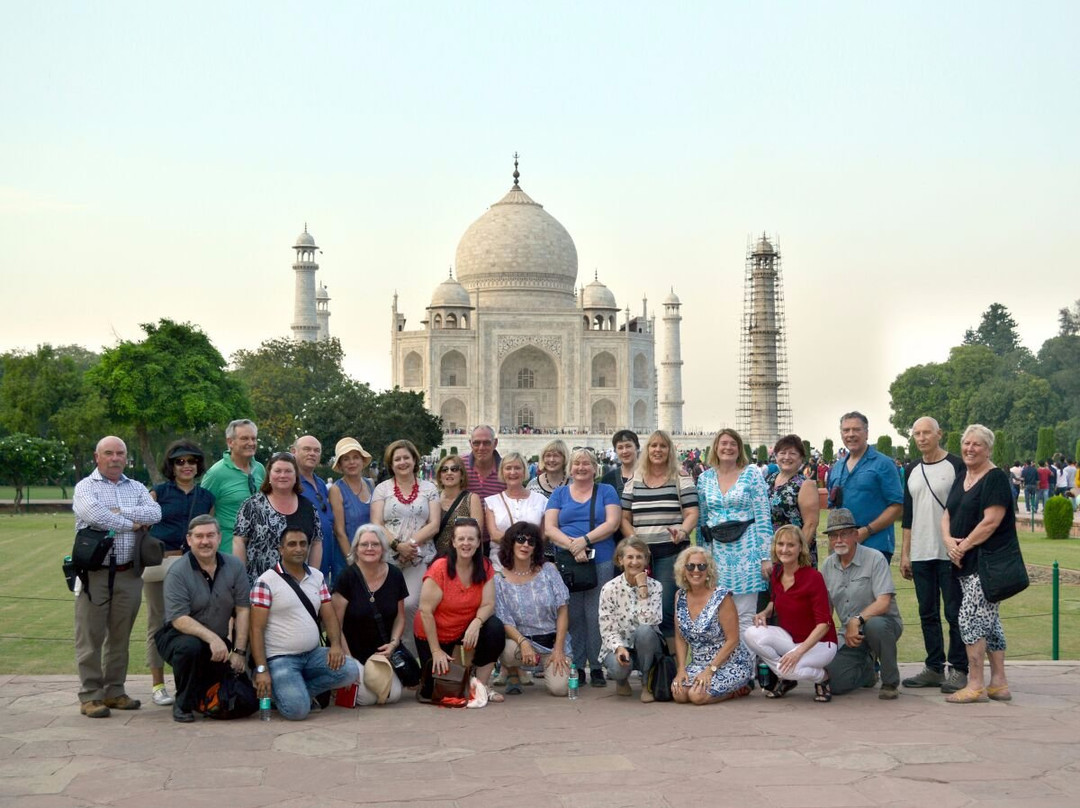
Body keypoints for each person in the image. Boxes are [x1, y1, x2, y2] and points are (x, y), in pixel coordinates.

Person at [72, 436, 162, 717]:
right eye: (108, 453)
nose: (115, 458)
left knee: (120, 637)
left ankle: (114, 691)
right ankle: (90, 695)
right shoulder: (85, 487)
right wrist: (133, 523)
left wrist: (119, 512)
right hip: (94, 573)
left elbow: (155, 513)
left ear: (126, 456)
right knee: (90, 637)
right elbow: (95, 516)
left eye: (119, 453)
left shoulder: (136, 487)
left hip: (128, 572)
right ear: (97, 457)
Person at [249, 527, 360, 720]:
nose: (298, 549)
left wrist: (335, 645)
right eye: (292, 544)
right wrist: (261, 670)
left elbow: (329, 616)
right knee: (298, 711)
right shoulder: (266, 581)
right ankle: (287, 694)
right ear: (281, 549)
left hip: (312, 655)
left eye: (303, 544)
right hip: (280, 659)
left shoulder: (317, 576)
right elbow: (256, 629)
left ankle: (293, 692)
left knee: (350, 670)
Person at [941, 425, 1017, 703]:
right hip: (964, 562)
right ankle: (999, 683)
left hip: (986, 565)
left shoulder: (995, 479)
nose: (970, 449)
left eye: (977, 444)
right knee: (990, 623)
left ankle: (975, 684)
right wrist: (948, 541)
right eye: (966, 443)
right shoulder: (963, 475)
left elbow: (991, 522)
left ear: (989, 449)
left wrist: (962, 546)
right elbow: (947, 512)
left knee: (970, 619)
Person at [155, 515, 250, 722]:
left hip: (216, 640)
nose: (205, 541)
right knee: (191, 648)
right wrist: (213, 639)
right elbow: (179, 618)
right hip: (177, 637)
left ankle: (201, 697)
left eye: (210, 535)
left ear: (219, 538)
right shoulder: (177, 572)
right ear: (189, 540)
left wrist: (239, 652)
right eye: (199, 536)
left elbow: (243, 609)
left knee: (245, 697)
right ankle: (183, 705)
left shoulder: (235, 566)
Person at [899, 417, 968, 694]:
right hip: (921, 551)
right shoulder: (911, 469)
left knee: (954, 612)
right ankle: (934, 667)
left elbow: (964, 507)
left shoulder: (955, 465)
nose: (922, 438)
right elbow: (908, 515)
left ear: (939, 434)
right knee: (927, 612)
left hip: (949, 552)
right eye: (917, 433)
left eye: (927, 432)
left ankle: (959, 668)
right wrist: (905, 554)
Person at [146, 440, 216, 707]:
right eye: (180, 461)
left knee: (192, 623)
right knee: (157, 623)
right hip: (162, 564)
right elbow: (145, 526)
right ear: (172, 466)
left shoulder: (206, 497)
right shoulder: (159, 493)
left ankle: (186, 684)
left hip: (192, 566)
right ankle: (157, 684)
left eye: (191, 461)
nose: (186, 466)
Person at [544, 448, 622, 686]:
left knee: (596, 614)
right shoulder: (559, 494)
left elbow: (612, 523)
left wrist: (584, 541)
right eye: (577, 463)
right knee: (573, 614)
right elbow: (550, 527)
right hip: (569, 561)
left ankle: (596, 666)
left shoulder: (606, 491)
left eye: (586, 463)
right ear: (570, 468)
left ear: (595, 468)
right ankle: (577, 665)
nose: (581, 467)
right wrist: (573, 546)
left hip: (601, 558)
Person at [414, 518, 505, 701]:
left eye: (471, 539)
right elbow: (426, 611)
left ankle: (481, 686)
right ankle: (461, 680)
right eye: (461, 538)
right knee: (436, 692)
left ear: (478, 542)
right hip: (435, 633)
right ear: (453, 542)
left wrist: (476, 623)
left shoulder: (485, 566)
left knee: (494, 628)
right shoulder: (440, 567)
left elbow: (488, 604)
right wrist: (436, 651)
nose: (466, 543)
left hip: (465, 628)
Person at [619, 430, 699, 636]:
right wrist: (634, 541)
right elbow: (624, 517)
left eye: (663, 446)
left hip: (670, 552)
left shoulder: (681, 477)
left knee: (665, 610)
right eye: (653, 445)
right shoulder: (635, 479)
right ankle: (646, 655)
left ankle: (669, 656)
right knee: (638, 607)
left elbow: (692, 513)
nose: (658, 450)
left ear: (670, 450)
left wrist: (682, 532)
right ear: (647, 450)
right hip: (640, 556)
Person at [744, 526, 837, 702]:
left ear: (800, 548)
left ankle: (822, 677)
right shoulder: (777, 572)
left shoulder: (814, 577)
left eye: (791, 545)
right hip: (791, 639)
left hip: (821, 643)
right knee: (751, 633)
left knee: (787, 669)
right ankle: (786, 674)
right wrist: (765, 612)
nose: (784, 549)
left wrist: (797, 653)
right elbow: (775, 600)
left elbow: (824, 624)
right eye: (780, 544)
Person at [696, 429, 774, 634]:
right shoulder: (704, 479)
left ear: (739, 449)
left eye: (733, 444)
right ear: (716, 447)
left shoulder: (751, 475)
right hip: (716, 553)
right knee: (717, 615)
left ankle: (745, 657)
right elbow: (702, 520)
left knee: (745, 618)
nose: (728, 448)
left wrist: (766, 557)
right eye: (724, 443)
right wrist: (700, 557)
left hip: (747, 551)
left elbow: (763, 517)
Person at [821, 508, 904, 699]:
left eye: (844, 534)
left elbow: (884, 602)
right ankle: (867, 669)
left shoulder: (875, 558)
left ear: (856, 535)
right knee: (833, 683)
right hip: (849, 635)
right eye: (833, 536)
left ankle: (890, 682)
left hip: (883, 625)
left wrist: (856, 620)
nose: (838, 540)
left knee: (875, 625)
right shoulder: (827, 565)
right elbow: (827, 607)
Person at [371, 439, 440, 654]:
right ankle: (385, 656)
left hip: (417, 557)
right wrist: (396, 545)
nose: (402, 462)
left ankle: (410, 657)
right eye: (397, 459)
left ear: (414, 460)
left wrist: (409, 545)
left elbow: (434, 524)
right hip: (388, 557)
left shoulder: (429, 488)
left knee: (410, 605)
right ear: (391, 464)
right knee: (386, 607)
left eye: (406, 458)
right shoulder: (382, 489)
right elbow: (376, 522)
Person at [331, 524, 410, 705]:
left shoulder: (395, 575)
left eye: (375, 544)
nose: (369, 548)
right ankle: (340, 680)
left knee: (392, 696)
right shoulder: (346, 578)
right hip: (352, 652)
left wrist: (393, 644)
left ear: (383, 548)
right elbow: (335, 625)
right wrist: (349, 660)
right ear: (356, 549)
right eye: (364, 544)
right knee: (367, 698)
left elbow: (400, 617)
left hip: (383, 653)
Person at [494, 521, 571, 697]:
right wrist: (523, 642)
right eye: (520, 539)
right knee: (506, 650)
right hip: (521, 644)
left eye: (531, 541)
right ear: (510, 543)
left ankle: (549, 665)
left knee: (560, 689)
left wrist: (559, 648)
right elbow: (504, 620)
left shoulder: (548, 570)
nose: (526, 545)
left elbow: (563, 610)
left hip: (552, 643)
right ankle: (513, 672)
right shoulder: (499, 579)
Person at [671, 545, 754, 705]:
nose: (696, 571)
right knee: (679, 694)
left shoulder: (721, 597)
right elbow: (680, 638)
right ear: (683, 570)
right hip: (698, 664)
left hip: (730, 663)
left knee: (697, 696)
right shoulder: (679, 596)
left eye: (702, 566)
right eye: (690, 566)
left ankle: (738, 689)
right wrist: (681, 669)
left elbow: (733, 640)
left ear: (708, 571)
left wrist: (710, 670)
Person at [234, 452, 323, 586]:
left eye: (288, 471)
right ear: (269, 475)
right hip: (260, 586)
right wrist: (241, 581)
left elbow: (316, 543)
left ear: (296, 476)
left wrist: (312, 580)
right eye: (278, 471)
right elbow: (239, 541)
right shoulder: (252, 505)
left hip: (299, 587)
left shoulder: (308, 507)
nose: (282, 475)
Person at [826, 411, 904, 564]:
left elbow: (897, 506)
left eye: (856, 429)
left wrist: (866, 531)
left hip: (875, 544)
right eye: (846, 430)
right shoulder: (837, 467)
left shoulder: (883, 464)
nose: (851, 434)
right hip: (842, 546)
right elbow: (832, 505)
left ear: (866, 433)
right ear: (841, 434)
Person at [598, 537, 665, 702]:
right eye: (630, 557)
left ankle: (646, 683)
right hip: (620, 645)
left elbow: (651, 621)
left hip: (647, 645)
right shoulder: (609, 588)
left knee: (645, 631)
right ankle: (621, 681)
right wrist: (619, 647)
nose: (634, 562)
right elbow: (607, 628)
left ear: (646, 560)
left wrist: (643, 589)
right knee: (617, 668)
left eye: (639, 557)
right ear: (620, 560)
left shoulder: (656, 586)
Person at [202, 419, 266, 554]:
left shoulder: (260, 469)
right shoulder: (216, 474)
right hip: (228, 549)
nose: (251, 443)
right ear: (230, 442)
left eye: (254, 438)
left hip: (259, 549)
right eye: (244, 438)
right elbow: (203, 513)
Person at [484, 451, 547, 571]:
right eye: (508, 468)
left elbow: (543, 536)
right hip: (500, 566)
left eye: (517, 468)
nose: (513, 472)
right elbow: (494, 535)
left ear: (524, 471)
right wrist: (525, 541)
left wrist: (518, 542)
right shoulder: (492, 502)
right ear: (502, 472)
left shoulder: (541, 500)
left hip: (531, 565)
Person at [766, 434, 821, 568]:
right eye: (782, 453)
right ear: (776, 456)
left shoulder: (805, 484)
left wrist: (795, 556)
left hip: (795, 557)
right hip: (772, 553)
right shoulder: (769, 479)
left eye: (792, 453)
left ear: (801, 458)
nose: (787, 457)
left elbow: (810, 524)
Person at [328, 437, 375, 583]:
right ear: (340, 465)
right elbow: (339, 531)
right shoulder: (336, 489)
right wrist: (353, 562)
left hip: (371, 555)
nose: (352, 462)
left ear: (362, 461)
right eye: (346, 459)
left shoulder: (371, 484)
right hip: (348, 559)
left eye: (356, 457)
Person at [293, 436, 338, 586]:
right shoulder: (291, 482)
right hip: (302, 566)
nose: (312, 453)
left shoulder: (320, 483)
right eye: (307, 449)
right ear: (294, 451)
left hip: (324, 567)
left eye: (316, 450)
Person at [432, 454, 483, 557]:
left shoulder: (471, 499)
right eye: (444, 470)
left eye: (454, 469)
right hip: (433, 559)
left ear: (462, 475)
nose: (449, 473)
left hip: (461, 559)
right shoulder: (433, 497)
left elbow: (477, 535)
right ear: (440, 476)